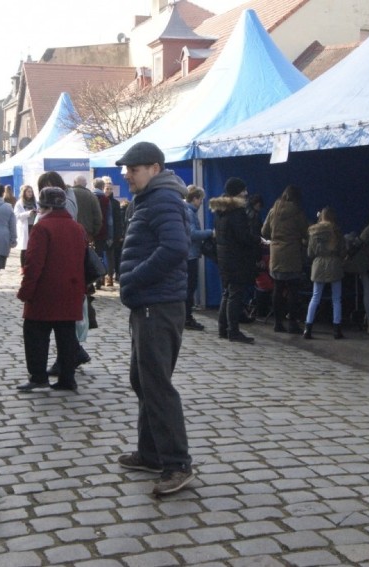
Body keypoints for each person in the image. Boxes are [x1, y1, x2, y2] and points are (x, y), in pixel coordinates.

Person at [116, 141, 194, 496]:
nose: (127, 176)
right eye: (127, 170)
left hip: (158, 304)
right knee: (142, 379)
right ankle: (150, 452)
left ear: (155, 169)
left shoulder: (161, 199)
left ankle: (177, 464)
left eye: (133, 169)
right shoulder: (150, 199)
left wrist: (134, 278)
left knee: (157, 384)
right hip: (149, 303)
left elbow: (176, 248)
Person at [15, 187, 87, 393]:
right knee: (66, 336)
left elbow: (34, 264)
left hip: (45, 292)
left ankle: (38, 376)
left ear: (43, 206)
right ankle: (67, 377)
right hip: (71, 289)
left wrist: (25, 291)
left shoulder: (42, 228)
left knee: (35, 334)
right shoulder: (76, 227)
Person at [210, 177, 260, 344]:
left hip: (224, 256)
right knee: (235, 294)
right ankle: (233, 331)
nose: (246, 193)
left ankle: (223, 328)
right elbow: (243, 237)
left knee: (227, 292)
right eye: (243, 190)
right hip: (236, 258)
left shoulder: (220, 211)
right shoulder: (237, 212)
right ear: (237, 192)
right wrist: (256, 239)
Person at [261, 185, 309, 334]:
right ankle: (293, 323)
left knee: (278, 288)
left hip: (276, 255)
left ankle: (277, 323)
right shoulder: (297, 211)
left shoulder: (273, 210)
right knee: (293, 290)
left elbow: (264, 231)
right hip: (292, 254)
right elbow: (305, 232)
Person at [303, 207, 346, 340]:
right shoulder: (337, 231)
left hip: (318, 264)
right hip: (334, 264)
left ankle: (308, 328)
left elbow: (310, 253)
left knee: (315, 297)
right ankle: (337, 330)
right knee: (336, 299)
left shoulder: (314, 232)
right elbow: (342, 251)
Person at [183, 185, 212, 331]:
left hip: (189, 254)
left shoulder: (187, 211)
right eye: (200, 199)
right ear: (195, 199)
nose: (201, 203)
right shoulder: (189, 212)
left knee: (189, 287)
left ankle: (186, 316)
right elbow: (192, 234)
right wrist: (210, 232)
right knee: (190, 287)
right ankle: (187, 317)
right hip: (190, 255)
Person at [103, 176, 124, 287]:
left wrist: (119, 234)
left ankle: (110, 276)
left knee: (111, 256)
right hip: (102, 232)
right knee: (102, 255)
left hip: (113, 233)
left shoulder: (115, 203)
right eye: (107, 189)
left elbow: (118, 220)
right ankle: (101, 277)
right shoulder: (99, 201)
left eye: (110, 189)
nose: (109, 191)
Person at [92, 178, 112, 286]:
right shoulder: (105, 199)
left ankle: (93, 279)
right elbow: (109, 220)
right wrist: (110, 235)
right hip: (102, 231)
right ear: (102, 186)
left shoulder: (90, 197)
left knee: (91, 255)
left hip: (90, 232)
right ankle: (100, 279)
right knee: (100, 255)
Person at [70, 174, 102, 242]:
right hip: (87, 235)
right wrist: (93, 233)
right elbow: (98, 217)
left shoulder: (67, 194)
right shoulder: (92, 196)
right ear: (85, 184)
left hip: (70, 233)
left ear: (74, 182)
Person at [13, 184, 38, 269]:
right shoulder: (19, 203)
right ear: (24, 193)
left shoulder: (35, 202)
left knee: (33, 247)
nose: (30, 193)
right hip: (25, 226)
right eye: (28, 192)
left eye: (31, 192)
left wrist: (37, 211)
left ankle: (32, 265)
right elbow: (17, 215)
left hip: (34, 226)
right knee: (24, 248)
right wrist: (28, 213)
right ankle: (23, 267)